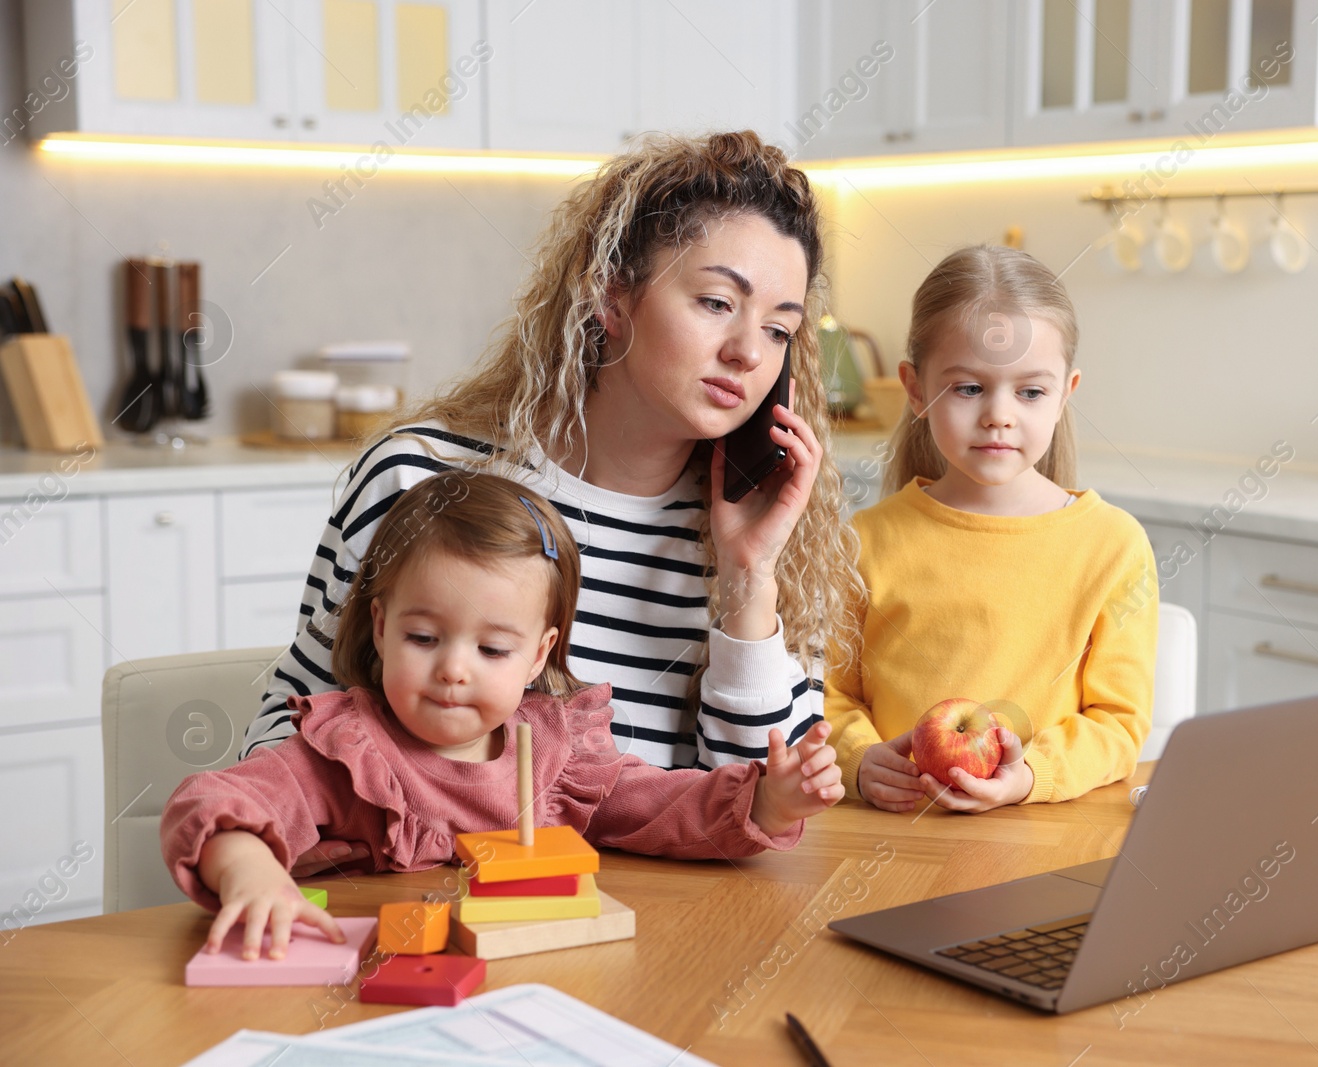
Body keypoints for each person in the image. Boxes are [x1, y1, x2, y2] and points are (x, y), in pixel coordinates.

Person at [241, 132, 865, 872]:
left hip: (677, 932)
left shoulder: (773, 524)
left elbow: (765, 813)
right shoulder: (421, 480)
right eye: (716, 302)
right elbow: (286, 743)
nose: (747, 351)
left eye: (778, 329)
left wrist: (749, 576)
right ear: (609, 295)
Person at [164, 473, 843, 960]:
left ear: (539, 653)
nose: (454, 669)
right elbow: (217, 799)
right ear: (380, 626)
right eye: (423, 638)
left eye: (492, 648)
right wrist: (249, 869)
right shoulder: (345, 750)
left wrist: (769, 800)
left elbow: (663, 806)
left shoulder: (556, 754)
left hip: (538, 985)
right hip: (373, 991)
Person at [825, 246, 1157, 814]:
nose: (999, 414)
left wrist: (1031, 776)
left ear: (1065, 395)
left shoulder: (1113, 546)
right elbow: (827, 695)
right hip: (891, 837)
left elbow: (1118, 723)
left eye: (1030, 392)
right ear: (915, 389)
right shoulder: (865, 540)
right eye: (969, 388)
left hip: (1038, 839)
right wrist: (857, 757)